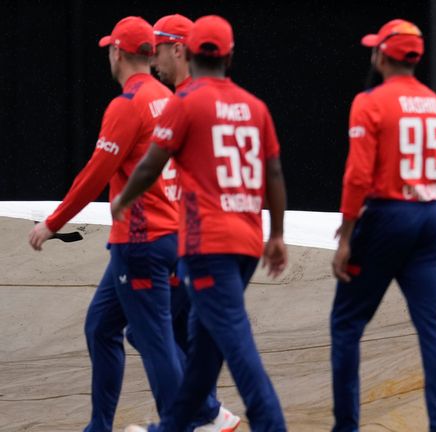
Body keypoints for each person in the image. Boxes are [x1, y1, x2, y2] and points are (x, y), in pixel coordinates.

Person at [114, 15, 288, 432]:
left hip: (207, 246)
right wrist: (277, 234)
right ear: (229, 56)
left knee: (238, 348)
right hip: (248, 240)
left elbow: (151, 163)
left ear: (189, 52)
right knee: (203, 353)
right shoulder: (256, 107)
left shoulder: (186, 102)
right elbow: (275, 173)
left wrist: (124, 198)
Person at [27, 16, 184, 432]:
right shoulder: (166, 98)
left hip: (141, 239)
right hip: (156, 235)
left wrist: (53, 222)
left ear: (117, 52)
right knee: (101, 327)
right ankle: (100, 426)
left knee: (153, 339)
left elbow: (98, 171)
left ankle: (186, 421)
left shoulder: (128, 104)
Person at [330, 19, 436, 432]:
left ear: (382, 55)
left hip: (389, 215)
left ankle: (346, 426)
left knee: (346, 324)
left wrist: (346, 235)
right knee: (432, 328)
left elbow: (357, 175)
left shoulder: (370, 102)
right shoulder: (435, 102)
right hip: (433, 216)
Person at [150, 13, 242, 431]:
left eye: (157, 48)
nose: (151, 60)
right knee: (179, 330)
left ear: (179, 49)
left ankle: (203, 415)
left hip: (191, 240)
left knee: (155, 328)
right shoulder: (218, 100)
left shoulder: (187, 103)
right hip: (207, 238)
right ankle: (205, 414)